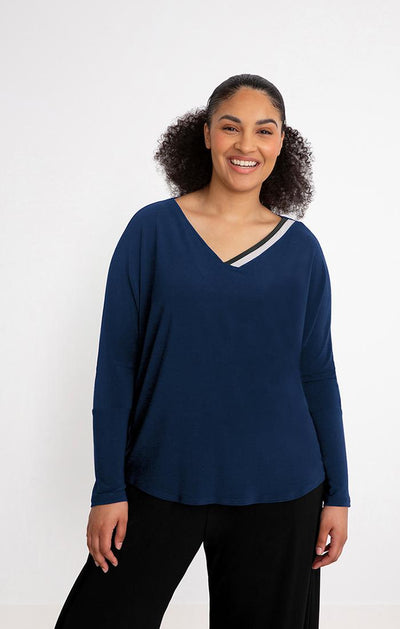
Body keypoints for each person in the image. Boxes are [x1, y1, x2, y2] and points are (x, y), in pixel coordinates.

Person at [54, 73, 351, 629]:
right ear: (207, 134)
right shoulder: (151, 231)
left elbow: (317, 374)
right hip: (161, 478)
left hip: (282, 489)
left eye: (264, 130)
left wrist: (339, 494)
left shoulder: (302, 250)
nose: (247, 144)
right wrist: (108, 487)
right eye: (231, 127)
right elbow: (117, 365)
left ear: (281, 144)